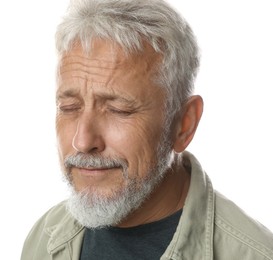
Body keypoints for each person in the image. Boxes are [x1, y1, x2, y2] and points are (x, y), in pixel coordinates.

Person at [21, 0, 273, 259]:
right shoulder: (43, 237)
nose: (83, 141)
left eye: (118, 110)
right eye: (69, 107)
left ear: (184, 124)